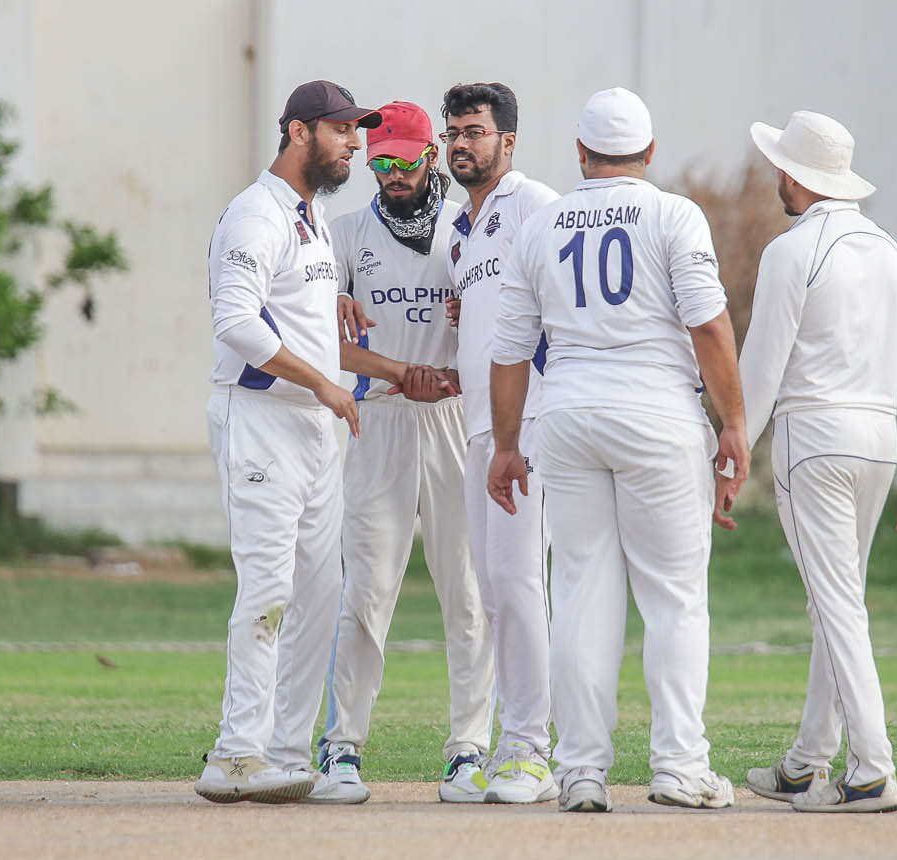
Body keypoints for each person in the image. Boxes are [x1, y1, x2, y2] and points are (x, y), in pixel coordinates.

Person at [486, 87, 747, 813]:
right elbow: (710, 326)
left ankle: (580, 771)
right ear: (650, 152)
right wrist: (733, 421)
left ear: (581, 152)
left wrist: (506, 446)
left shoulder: (540, 225)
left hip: (567, 414)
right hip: (658, 412)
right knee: (674, 599)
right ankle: (679, 767)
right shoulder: (673, 214)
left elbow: (509, 352)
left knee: (579, 593)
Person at [736, 110, 897, 814]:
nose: (776, 179)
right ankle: (807, 760)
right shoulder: (895, 254)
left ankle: (872, 770)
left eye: (780, 169)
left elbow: (762, 367)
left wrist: (728, 455)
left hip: (813, 439)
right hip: (879, 443)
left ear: (796, 176)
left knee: (837, 603)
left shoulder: (791, 251)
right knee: (837, 598)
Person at [194, 80, 376, 804]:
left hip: (312, 430)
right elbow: (237, 323)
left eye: (356, 131)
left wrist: (330, 304)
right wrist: (324, 382)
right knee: (269, 588)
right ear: (299, 132)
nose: (354, 143)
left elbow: (287, 299)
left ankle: (287, 756)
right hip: (262, 419)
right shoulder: (256, 213)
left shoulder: (312, 215)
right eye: (341, 130)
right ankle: (236, 754)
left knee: (320, 596)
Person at [314, 100, 496, 804]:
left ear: (430, 156)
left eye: (404, 161)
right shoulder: (343, 236)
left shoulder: (467, 230)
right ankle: (342, 748)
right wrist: (398, 371)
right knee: (366, 590)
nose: (391, 174)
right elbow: (323, 343)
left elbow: (504, 323)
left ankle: (468, 751)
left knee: (468, 593)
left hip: (454, 418)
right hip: (381, 419)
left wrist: (464, 336)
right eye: (379, 161)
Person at [440, 81, 563, 804]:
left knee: (518, 585)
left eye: (475, 132)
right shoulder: (460, 226)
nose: (461, 144)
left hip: (533, 422)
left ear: (507, 141)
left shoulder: (533, 204)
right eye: (453, 133)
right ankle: (517, 742)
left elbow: (563, 302)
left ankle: (531, 750)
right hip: (480, 426)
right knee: (492, 591)